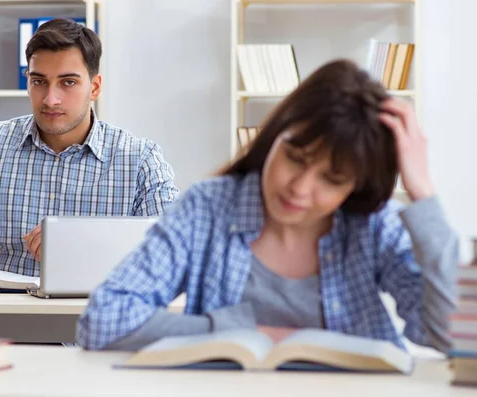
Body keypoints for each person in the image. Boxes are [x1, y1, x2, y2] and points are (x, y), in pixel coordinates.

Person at [77, 59, 458, 353]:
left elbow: (452, 336)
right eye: (295, 157)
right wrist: (239, 332)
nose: (300, 188)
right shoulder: (207, 208)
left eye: (332, 180)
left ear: (355, 186)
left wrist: (422, 193)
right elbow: (103, 320)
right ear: (274, 136)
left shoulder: (372, 224)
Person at [0, 18, 179, 276]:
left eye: (68, 83)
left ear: (95, 87)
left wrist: (84, 245)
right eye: (39, 81)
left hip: (92, 327)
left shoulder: (140, 159)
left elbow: (175, 253)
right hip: (0, 325)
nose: (50, 99)